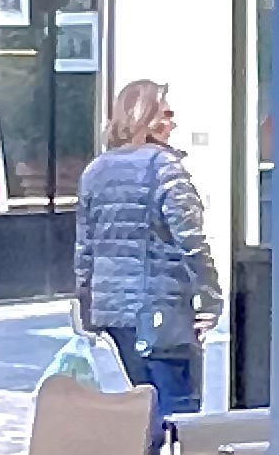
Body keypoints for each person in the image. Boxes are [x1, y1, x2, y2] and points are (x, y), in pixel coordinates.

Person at [73, 77, 220, 432]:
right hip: (160, 308)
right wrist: (210, 298)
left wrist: (87, 304)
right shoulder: (164, 167)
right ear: (144, 118)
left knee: (144, 405)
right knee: (180, 413)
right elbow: (191, 240)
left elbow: (85, 249)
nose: (173, 123)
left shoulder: (95, 171)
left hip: (115, 313)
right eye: (165, 115)